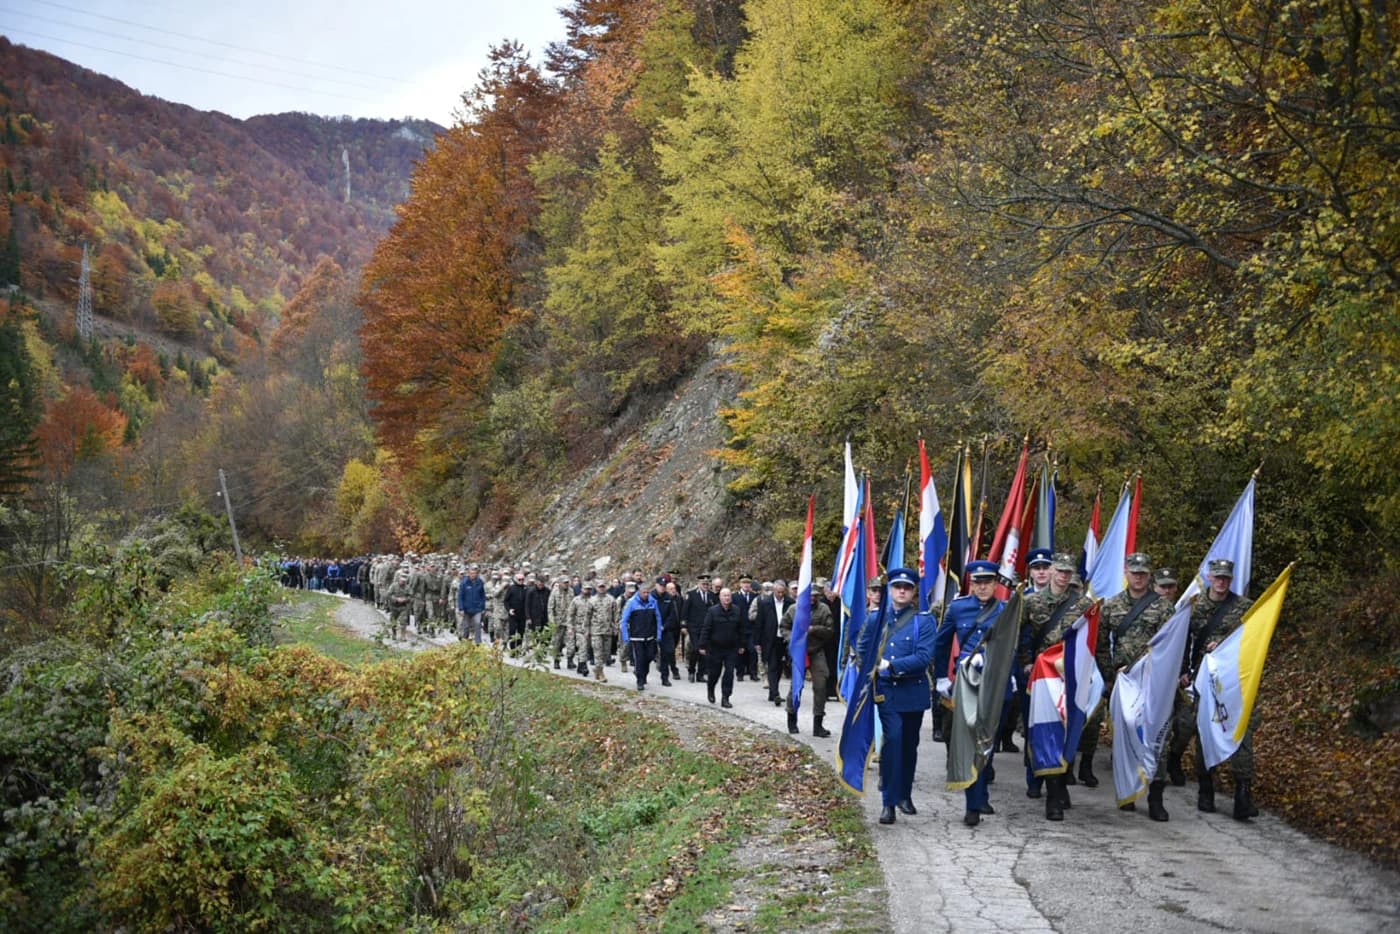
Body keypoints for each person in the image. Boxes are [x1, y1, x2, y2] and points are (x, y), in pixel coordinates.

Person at [1087, 553, 1174, 803]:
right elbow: (1100, 644)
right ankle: (1127, 791)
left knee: (1157, 737)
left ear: (1149, 575)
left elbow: (1171, 644)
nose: (1138, 577)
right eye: (1134, 572)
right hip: (1124, 681)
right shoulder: (1112, 606)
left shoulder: (1163, 607)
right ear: (1126, 573)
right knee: (1125, 736)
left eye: (1143, 573)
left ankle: (1156, 795)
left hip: (1154, 682)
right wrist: (1109, 674)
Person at [859, 568, 936, 825]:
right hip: (887, 691)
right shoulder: (876, 618)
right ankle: (888, 802)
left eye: (907, 587)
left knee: (909, 745)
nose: (902, 591)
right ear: (890, 590)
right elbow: (862, 647)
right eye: (897, 587)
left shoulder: (923, 621)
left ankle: (904, 794)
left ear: (914, 592)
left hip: (913, 689)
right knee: (893, 740)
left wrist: (891, 665)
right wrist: (870, 667)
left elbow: (924, 657)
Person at [1018, 552, 1092, 816]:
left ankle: (1060, 784)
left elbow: (1092, 640)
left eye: (1067, 572)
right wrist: (1026, 662)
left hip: (1071, 675)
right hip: (1042, 676)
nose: (1063, 576)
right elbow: (1020, 636)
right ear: (1050, 572)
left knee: (1068, 731)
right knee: (1045, 731)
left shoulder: (1083, 604)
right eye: (1059, 571)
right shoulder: (1031, 602)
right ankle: (1051, 790)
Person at [936, 560, 1007, 826]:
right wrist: (941, 676)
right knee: (968, 736)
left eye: (988, 582)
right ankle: (973, 804)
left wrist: (1009, 673)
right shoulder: (958, 608)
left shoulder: (1005, 610)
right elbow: (942, 643)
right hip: (966, 680)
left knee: (988, 739)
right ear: (972, 584)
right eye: (978, 582)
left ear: (996, 584)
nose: (983, 587)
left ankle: (981, 791)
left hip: (994, 681)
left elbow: (1013, 644)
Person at [1184, 558, 1256, 819]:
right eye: (1217, 577)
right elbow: (1181, 641)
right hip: (1205, 680)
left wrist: (1225, 645)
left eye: (1226, 578)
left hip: (1235, 681)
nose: (1221, 582)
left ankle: (1243, 795)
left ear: (1231, 579)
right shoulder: (1193, 607)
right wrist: (1183, 671)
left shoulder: (1244, 608)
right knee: (1206, 731)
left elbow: (1252, 641)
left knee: (1241, 733)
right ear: (1210, 577)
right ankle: (1206, 789)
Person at [782, 578, 835, 736]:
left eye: (815, 596)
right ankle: (792, 720)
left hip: (816, 651)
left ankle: (818, 725)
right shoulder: (794, 609)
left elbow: (830, 630)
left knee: (821, 686)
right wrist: (793, 639)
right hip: (799, 652)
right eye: (810, 595)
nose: (812, 598)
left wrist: (814, 629)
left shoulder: (824, 609)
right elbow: (783, 627)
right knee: (796, 686)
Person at [698, 587, 748, 707]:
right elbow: (706, 629)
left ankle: (725, 697)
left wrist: (742, 644)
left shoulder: (737, 610)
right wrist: (702, 645)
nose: (727, 598)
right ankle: (711, 688)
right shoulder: (712, 611)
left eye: (728, 596)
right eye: (724, 596)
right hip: (715, 647)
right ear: (720, 597)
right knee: (714, 673)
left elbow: (742, 629)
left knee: (729, 673)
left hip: (731, 647)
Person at [755, 579, 793, 706]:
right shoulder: (765, 603)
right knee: (772, 665)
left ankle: (772, 692)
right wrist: (757, 641)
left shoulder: (790, 602)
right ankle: (776, 693)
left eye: (782, 592)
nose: (780, 595)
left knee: (780, 666)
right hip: (770, 639)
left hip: (784, 638)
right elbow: (759, 622)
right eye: (778, 592)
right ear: (773, 591)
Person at [620, 581, 663, 691]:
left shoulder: (653, 602)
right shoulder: (632, 603)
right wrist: (626, 637)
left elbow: (658, 619)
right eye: (644, 592)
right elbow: (624, 621)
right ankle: (640, 680)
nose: (646, 594)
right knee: (640, 659)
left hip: (650, 636)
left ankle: (643, 673)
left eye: (648, 592)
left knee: (649, 657)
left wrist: (658, 634)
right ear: (639, 592)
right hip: (636, 637)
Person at [682, 577, 716, 682]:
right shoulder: (691, 594)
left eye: (707, 584)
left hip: (707, 628)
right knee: (695, 649)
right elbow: (685, 610)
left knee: (704, 651)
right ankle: (691, 671)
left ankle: (700, 674)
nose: (705, 586)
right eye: (703, 584)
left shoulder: (712, 596)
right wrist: (683, 625)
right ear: (699, 584)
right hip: (694, 627)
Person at [457, 563, 487, 644]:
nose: (473, 575)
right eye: (471, 573)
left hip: (477, 609)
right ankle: (464, 641)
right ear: (469, 573)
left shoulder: (480, 582)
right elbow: (460, 596)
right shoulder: (464, 583)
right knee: (466, 626)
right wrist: (461, 608)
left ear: (477, 574)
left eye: (474, 573)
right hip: (466, 609)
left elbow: (483, 596)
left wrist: (483, 607)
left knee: (478, 624)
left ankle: (478, 643)